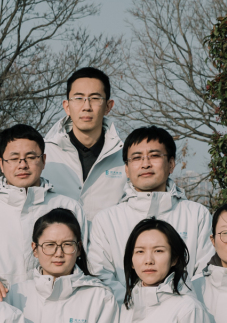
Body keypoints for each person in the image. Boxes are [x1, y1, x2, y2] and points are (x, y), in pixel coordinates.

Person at [87, 126, 213, 295]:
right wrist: (132, 304)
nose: (145, 164)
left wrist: (179, 303)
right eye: (136, 158)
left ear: (171, 164)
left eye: (154, 156)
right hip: (124, 310)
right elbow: (101, 276)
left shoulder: (197, 215)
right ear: (126, 169)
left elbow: (205, 274)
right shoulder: (106, 220)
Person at [0, 125, 84, 285]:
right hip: (1, 300)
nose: (23, 165)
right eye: (14, 159)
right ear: (1, 164)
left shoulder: (70, 207)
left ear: (43, 160)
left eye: (31, 157)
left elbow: (84, 266)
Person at [43, 67, 126, 224]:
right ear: (67, 106)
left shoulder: (125, 159)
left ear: (108, 106)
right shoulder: (43, 154)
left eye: (95, 98)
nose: (86, 106)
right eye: (78, 98)